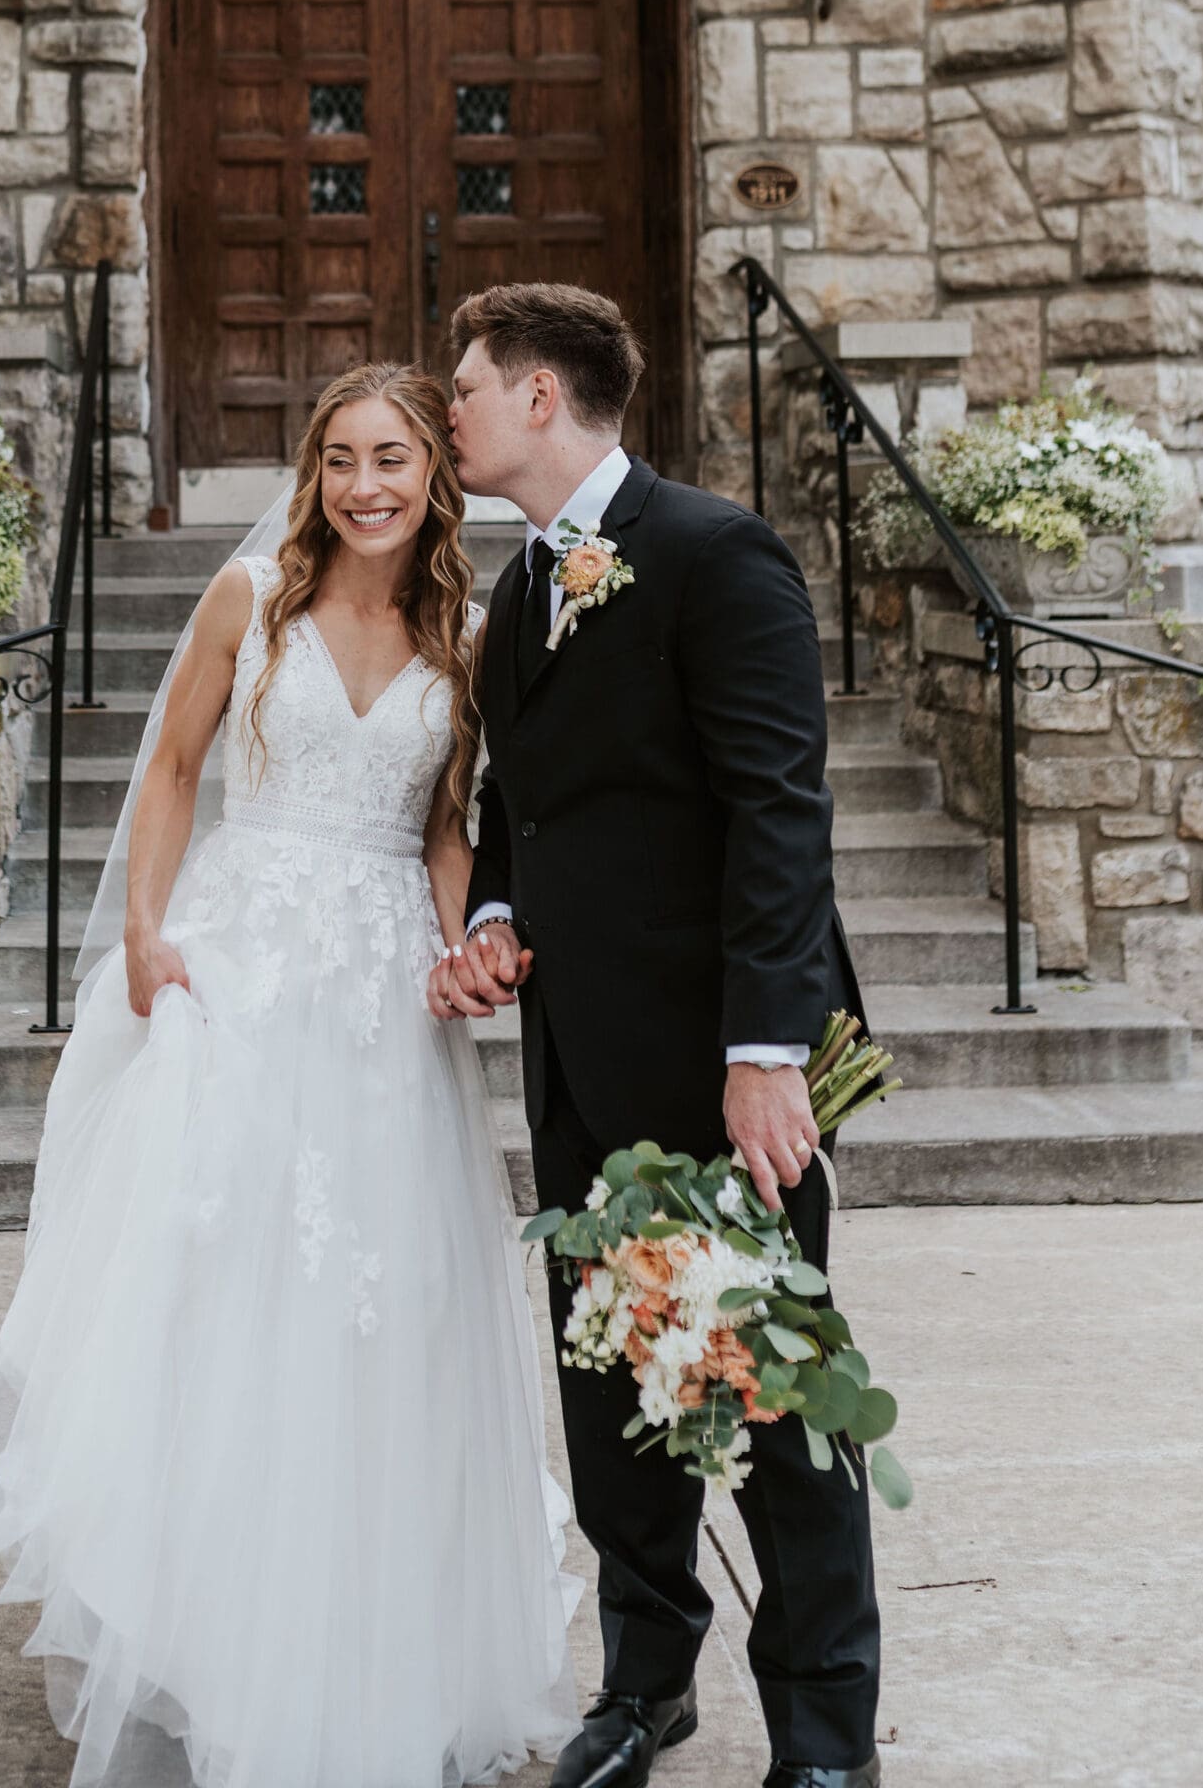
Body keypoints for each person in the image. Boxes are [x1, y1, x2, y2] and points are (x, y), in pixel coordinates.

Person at [0, 360, 578, 1788]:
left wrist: (457, 949)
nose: (369, 487)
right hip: (244, 964)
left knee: (385, 1306)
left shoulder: (468, 631)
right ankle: (204, 1624)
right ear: (312, 475)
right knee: (226, 1289)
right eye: (344, 461)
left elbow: (446, 823)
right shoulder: (251, 603)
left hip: (384, 996)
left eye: (397, 461)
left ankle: (368, 1627)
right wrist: (141, 934)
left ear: (436, 478)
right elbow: (175, 769)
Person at [441, 282, 881, 1788]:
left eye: (468, 390)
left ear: (543, 399)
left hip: (720, 1071)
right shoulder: (516, 592)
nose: (454, 414)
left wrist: (766, 1051)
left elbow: (780, 809)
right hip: (576, 1060)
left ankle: (826, 1739)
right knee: (617, 1394)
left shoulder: (714, 554)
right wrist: (492, 911)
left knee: (765, 1390)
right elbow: (520, 805)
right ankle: (644, 1689)